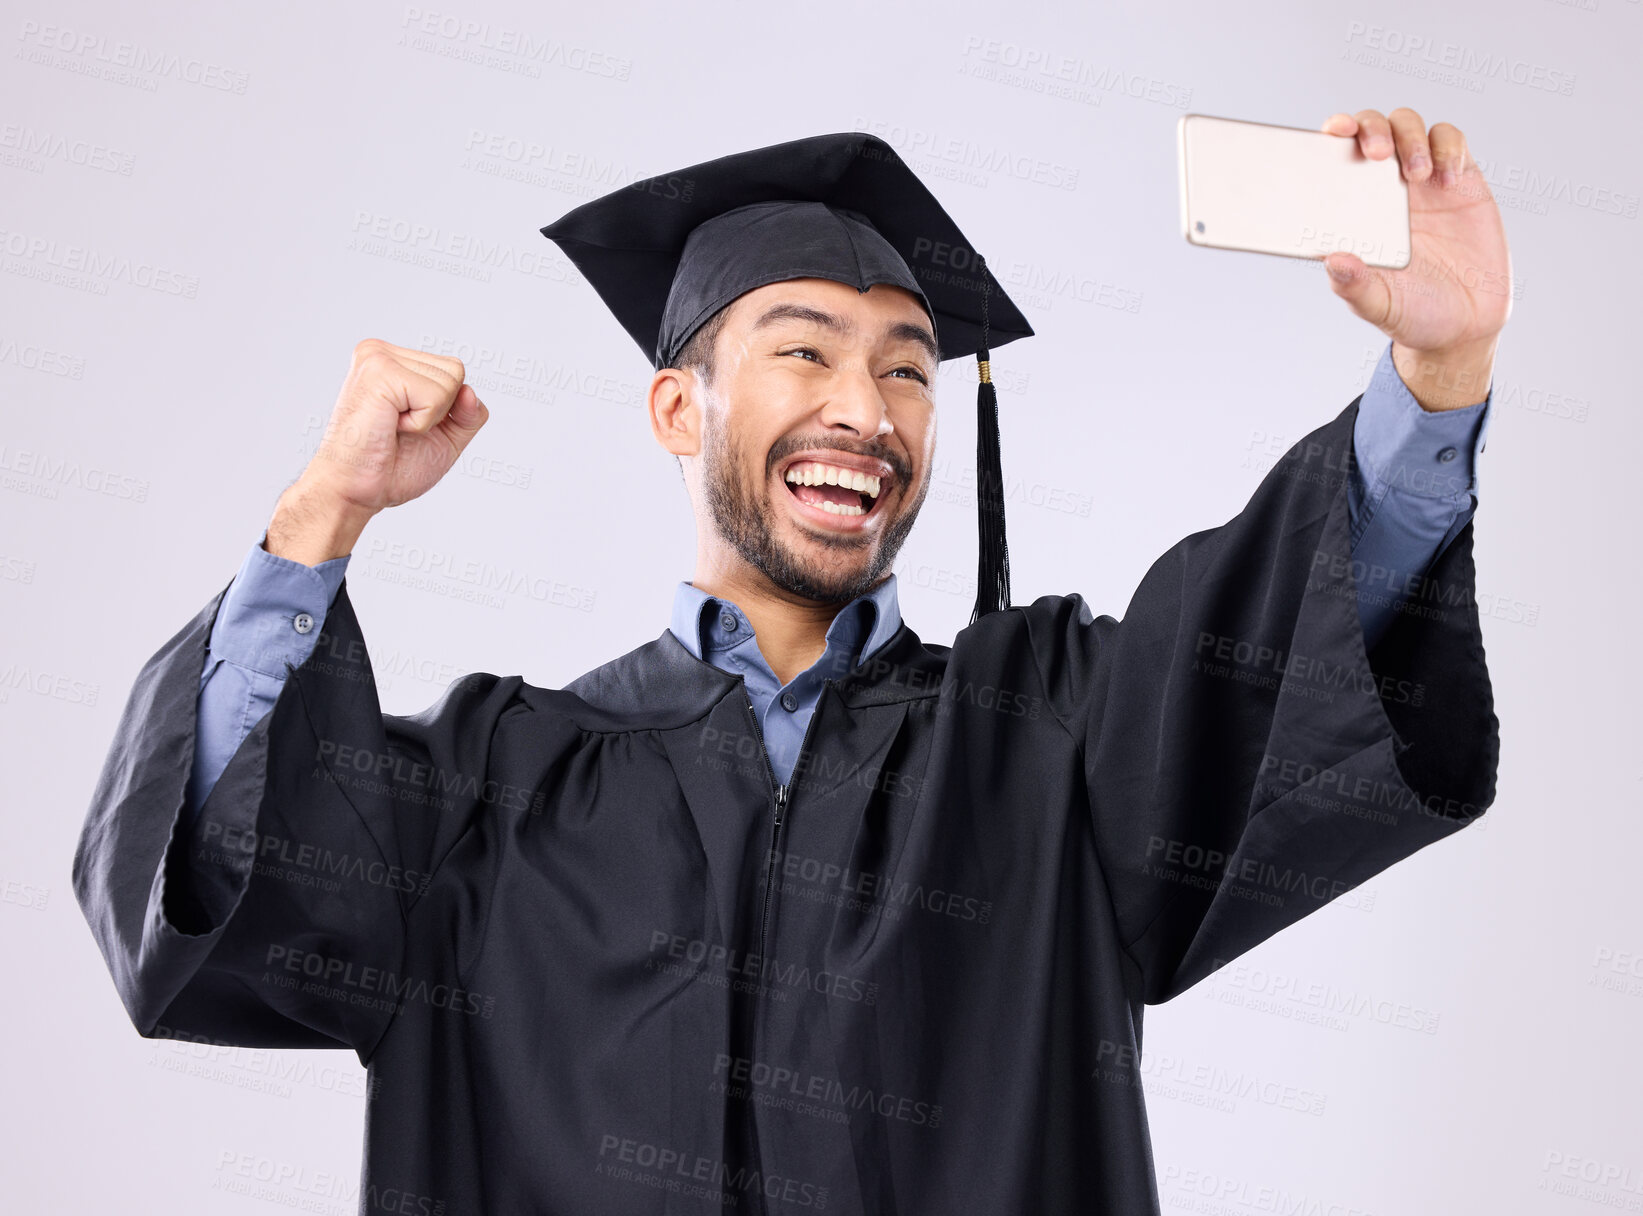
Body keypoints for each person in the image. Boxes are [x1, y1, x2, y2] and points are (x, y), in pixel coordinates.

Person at [75, 113, 1504, 1215]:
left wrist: (1439, 374)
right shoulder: (485, 795)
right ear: (675, 410)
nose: (862, 409)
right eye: (801, 352)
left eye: (903, 368)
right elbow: (216, 869)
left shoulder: (1048, 746)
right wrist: (323, 516)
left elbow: (1272, 661)